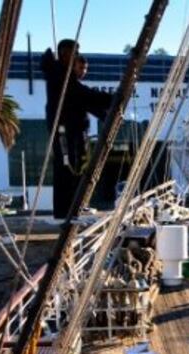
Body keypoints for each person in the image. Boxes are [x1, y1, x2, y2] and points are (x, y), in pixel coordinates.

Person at [41, 40, 112, 219]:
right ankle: (66, 211)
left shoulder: (63, 76)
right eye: (74, 53)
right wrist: (112, 99)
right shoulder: (60, 76)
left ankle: (74, 207)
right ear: (65, 53)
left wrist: (105, 112)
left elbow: (81, 101)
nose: (75, 57)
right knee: (68, 168)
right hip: (66, 131)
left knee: (76, 168)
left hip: (74, 131)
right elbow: (80, 95)